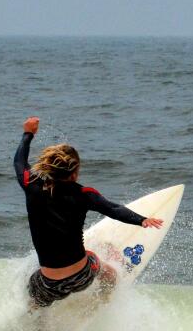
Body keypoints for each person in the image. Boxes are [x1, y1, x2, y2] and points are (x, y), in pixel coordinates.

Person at [14, 116, 163, 308]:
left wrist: (28, 133)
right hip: (82, 275)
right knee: (108, 272)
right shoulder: (84, 194)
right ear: (74, 173)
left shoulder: (31, 185)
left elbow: (19, 161)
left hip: (48, 284)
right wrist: (142, 220)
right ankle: (100, 305)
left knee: (32, 298)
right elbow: (113, 209)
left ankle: (36, 328)